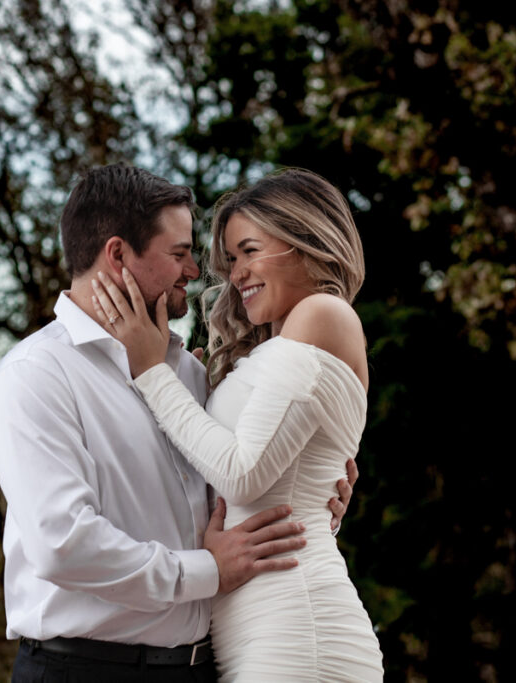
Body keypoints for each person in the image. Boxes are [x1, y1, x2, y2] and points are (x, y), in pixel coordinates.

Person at [0, 163, 358, 683]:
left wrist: (315, 498)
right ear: (118, 254)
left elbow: (236, 489)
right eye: (179, 253)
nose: (197, 272)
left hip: (204, 665)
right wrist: (207, 571)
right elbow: (64, 543)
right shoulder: (37, 376)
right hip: (86, 671)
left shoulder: (187, 372)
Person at [91, 167, 385, 682]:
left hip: (297, 633)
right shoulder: (278, 345)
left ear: (306, 242)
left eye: (250, 251)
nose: (237, 274)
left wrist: (151, 373)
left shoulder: (323, 313)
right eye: (231, 260)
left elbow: (242, 475)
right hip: (258, 632)